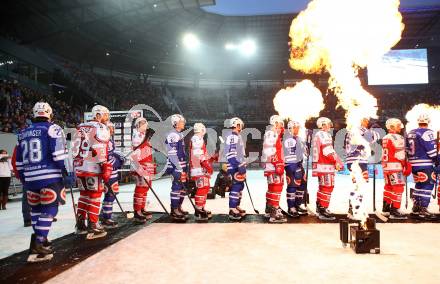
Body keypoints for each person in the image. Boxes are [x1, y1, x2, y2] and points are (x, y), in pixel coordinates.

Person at [13, 102, 74, 262]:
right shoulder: (53, 129)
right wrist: (67, 173)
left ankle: (41, 239)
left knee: (36, 209)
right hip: (49, 176)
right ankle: (39, 240)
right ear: (49, 113)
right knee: (50, 208)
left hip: (30, 177)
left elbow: (18, 160)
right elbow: (59, 154)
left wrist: (23, 177)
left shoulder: (23, 132)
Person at [73, 105, 112, 238]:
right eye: (105, 115)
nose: (107, 118)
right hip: (93, 166)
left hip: (80, 166)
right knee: (95, 195)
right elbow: (100, 148)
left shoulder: (80, 126)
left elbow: (73, 148)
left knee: (84, 194)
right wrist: (105, 166)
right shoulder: (101, 127)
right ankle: (93, 224)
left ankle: (80, 223)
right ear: (98, 115)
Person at [406, 113, 439, 220]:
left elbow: (407, 149)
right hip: (425, 164)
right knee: (428, 186)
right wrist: (437, 159)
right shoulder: (428, 132)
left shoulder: (411, 132)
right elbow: (432, 151)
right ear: (428, 122)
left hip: (414, 164)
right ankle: (423, 209)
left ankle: (416, 208)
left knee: (419, 186)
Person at [344, 117, 379, 217]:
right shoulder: (359, 129)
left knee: (357, 185)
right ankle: (356, 209)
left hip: (353, 160)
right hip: (358, 160)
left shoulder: (352, 130)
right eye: (365, 120)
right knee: (360, 184)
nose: (367, 122)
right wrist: (374, 131)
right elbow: (373, 137)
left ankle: (353, 208)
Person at [312, 117, 343, 220]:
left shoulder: (318, 134)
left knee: (323, 187)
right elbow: (327, 151)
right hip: (325, 166)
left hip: (322, 166)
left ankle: (320, 207)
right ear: (323, 124)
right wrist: (337, 161)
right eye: (328, 124)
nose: (330, 125)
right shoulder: (323, 134)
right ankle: (323, 208)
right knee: (327, 187)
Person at [382, 118, 412, 219]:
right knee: (398, 188)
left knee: (388, 188)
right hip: (395, 166)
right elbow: (400, 154)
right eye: (398, 125)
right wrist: (405, 164)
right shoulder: (397, 137)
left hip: (386, 166)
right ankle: (394, 211)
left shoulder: (386, 137)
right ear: (392, 126)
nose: (400, 128)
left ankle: (386, 209)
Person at [189, 123, 218, 222]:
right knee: (202, 188)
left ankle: (201, 208)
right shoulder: (197, 138)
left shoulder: (199, 139)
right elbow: (198, 155)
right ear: (202, 130)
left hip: (200, 168)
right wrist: (207, 165)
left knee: (205, 188)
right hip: (198, 168)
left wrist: (212, 158)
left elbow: (203, 155)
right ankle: (198, 210)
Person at [262, 115, 287, 223]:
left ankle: (270, 209)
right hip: (273, 166)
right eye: (280, 124)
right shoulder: (272, 133)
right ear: (275, 123)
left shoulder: (272, 134)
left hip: (271, 165)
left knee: (272, 187)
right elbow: (270, 150)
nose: (282, 126)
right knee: (276, 187)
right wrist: (278, 163)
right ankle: (274, 211)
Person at [100, 122, 125, 228]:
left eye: (113, 128)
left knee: (110, 193)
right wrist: (119, 161)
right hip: (108, 171)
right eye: (110, 128)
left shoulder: (109, 140)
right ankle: (106, 217)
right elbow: (108, 158)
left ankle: (104, 214)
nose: (113, 130)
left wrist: (119, 157)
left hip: (110, 171)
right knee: (110, 194)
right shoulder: (106, 141)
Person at [131, 117, 155, 223]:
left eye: (145, 123)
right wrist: (138, 167)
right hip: (141, 165)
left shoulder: (145, 136)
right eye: (142, 123)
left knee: (145, 188)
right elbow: (136, 153)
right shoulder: (137, 135)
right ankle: (137, 211)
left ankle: (142, 208)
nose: (144, 125)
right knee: (140, 188)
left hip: (147, 165)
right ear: (137, 125)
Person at [165, 114, 189, 222]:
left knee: (182, 188)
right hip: (176, 166)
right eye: (181, 121)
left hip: (181, 165)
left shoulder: (179, 134)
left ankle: (179, 207)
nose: (183, 123)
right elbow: (172, 153)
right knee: (176, 187)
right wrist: (178, 167)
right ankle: (174, 210)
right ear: (175, 123)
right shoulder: (173, 135)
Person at [283, 120, 308, 217]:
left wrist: (307, 145)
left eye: (298, 128)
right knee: (293, 185)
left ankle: (298, 204)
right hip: (291, 165)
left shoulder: (299, 138)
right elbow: (289, 154)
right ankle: (291, 207)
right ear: (290, 128)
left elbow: (304, 152)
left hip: (299, 164)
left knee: (302, 184)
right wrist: (293, 167)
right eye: (294, 128)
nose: (296, 129)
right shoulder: (288, 139)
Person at [224, 117, 247, 221]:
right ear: (237, 125)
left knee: (240, 186)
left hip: (238, 166)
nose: (241, 126)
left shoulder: (237, 136)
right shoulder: (233, 137)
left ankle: (236, 206)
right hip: (234, 167)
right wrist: (239, 165)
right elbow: (231, 155)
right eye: (240, 125)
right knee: (236, 187)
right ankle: (232, 209)